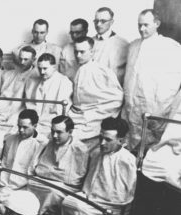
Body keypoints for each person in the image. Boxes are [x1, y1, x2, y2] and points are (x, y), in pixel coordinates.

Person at [60, 117, 137, 215]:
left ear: (121, 140)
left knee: (82, 210)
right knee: (67, 202)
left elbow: (125, 195)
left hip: (110, 207)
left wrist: (95, 201)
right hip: (90, 199)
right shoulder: (97, 153)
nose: (102, 142)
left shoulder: (126, 159)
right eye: (101, 137)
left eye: (108, 140)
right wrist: (86, 196)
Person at [123, 9, 181, 150]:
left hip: (155, 107)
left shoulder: (170, 47)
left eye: (146, 25)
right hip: (132, 105)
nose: (141, 29)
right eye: (139, 25)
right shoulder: (133, 46)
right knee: (132, 141)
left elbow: (173, 82)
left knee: (151, 144)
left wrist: (160, 108)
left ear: (157, 24)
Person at [28, 115, 89, 215]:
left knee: (52, 192)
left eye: (59, 132)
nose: (54, 135)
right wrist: (55, 173)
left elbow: (74, 179)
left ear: (70, 132)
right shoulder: (49, 144)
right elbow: (39, 170)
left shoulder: (80, 149)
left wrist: (49, 173)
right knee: (30, 184)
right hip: (43, 183)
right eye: (52, 131)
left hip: (65, 188)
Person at [69, 36, 123, 151]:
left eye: (82, 52)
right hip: (76, 116)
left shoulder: (102, 71)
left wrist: (94, 114)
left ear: (92, 52)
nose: (78, 56)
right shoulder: (78, 69)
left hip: (94, 119)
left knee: (76, 143)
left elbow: (117, 98)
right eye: (76, 52)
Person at [0, 109, 43, 212]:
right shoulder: (10, 139)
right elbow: (4, 163)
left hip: (23, 189)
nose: (21, 130)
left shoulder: (40, 145)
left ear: (35, 126)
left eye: (25, 127)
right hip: (3, 185)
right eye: (19, 126)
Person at [24, 53, 73, 141]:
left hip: (50, 125)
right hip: (35, 124)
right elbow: (29, 106)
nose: (42, 72)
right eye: (39, 69)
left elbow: (61, 112)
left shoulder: (64, 82)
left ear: (54, 67)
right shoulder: (33, 82)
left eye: (45, 69)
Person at [0, 46, 38, 133]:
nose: (22, 62)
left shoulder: (35, 78)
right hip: (0, 112)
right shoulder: (9, 74)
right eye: (20, 59)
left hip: (17, 115)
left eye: (26, 59)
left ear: (33, 59)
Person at [92, 7, 129, 83]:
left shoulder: (123, 44)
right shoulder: (89, 42)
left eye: (103, 21)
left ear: (111, 22)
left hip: (112, 91)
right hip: (91, 89)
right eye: (96, 21)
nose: (98, 24)